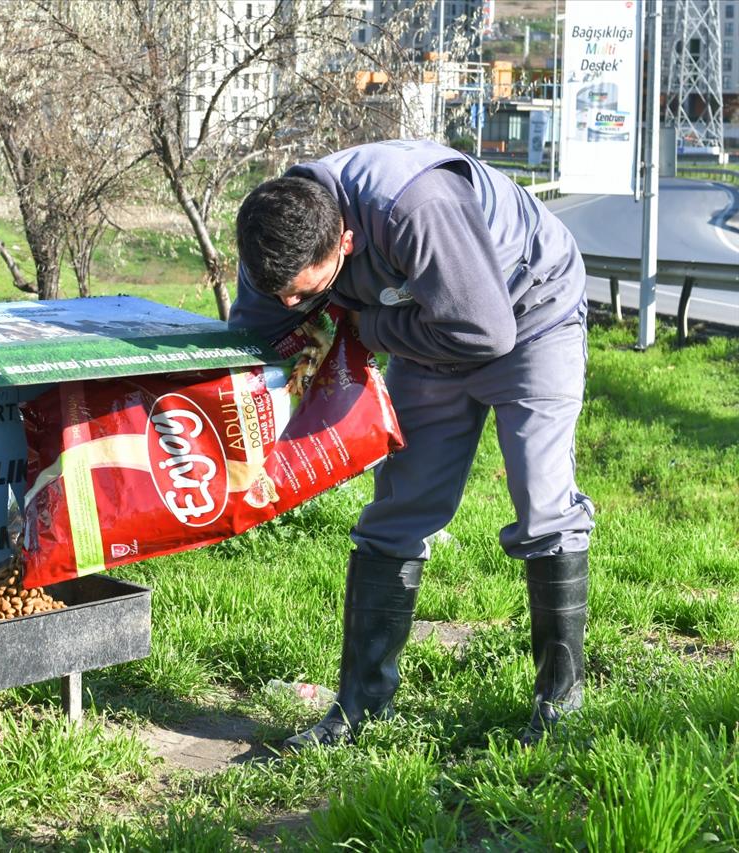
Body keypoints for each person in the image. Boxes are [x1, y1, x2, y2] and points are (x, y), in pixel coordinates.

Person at [230, 139, 593, 748]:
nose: (290, 304)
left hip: (529, 316)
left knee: (543, 502)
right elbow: (255, 340)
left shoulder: (414, 206)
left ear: (344, 242)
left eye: (302, 291)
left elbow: (485, 330)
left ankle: (560, 704)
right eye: (280, 293)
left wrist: (369, 327)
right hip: (430, 328)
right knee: (399, 511)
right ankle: (360, 709)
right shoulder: (276, 235)